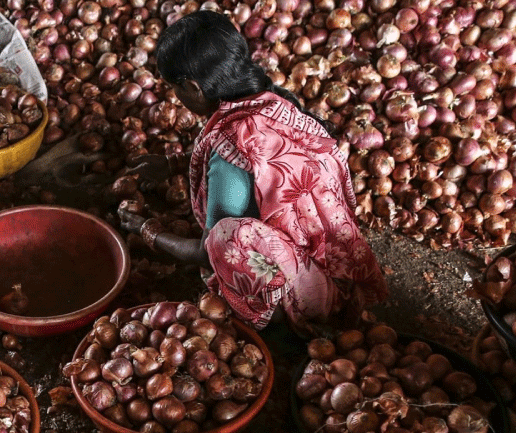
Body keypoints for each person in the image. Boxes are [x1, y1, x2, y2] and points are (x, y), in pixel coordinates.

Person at [119, 10, 387, 336]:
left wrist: (148, 231)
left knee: (225, 239)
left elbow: (206, 251)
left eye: (175, 89)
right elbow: (257, 161)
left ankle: (277, 316)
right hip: (341, 267)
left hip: (313, 294)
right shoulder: (276, 104)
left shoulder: (230, 145)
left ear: (192, 88)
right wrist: (173, 163)